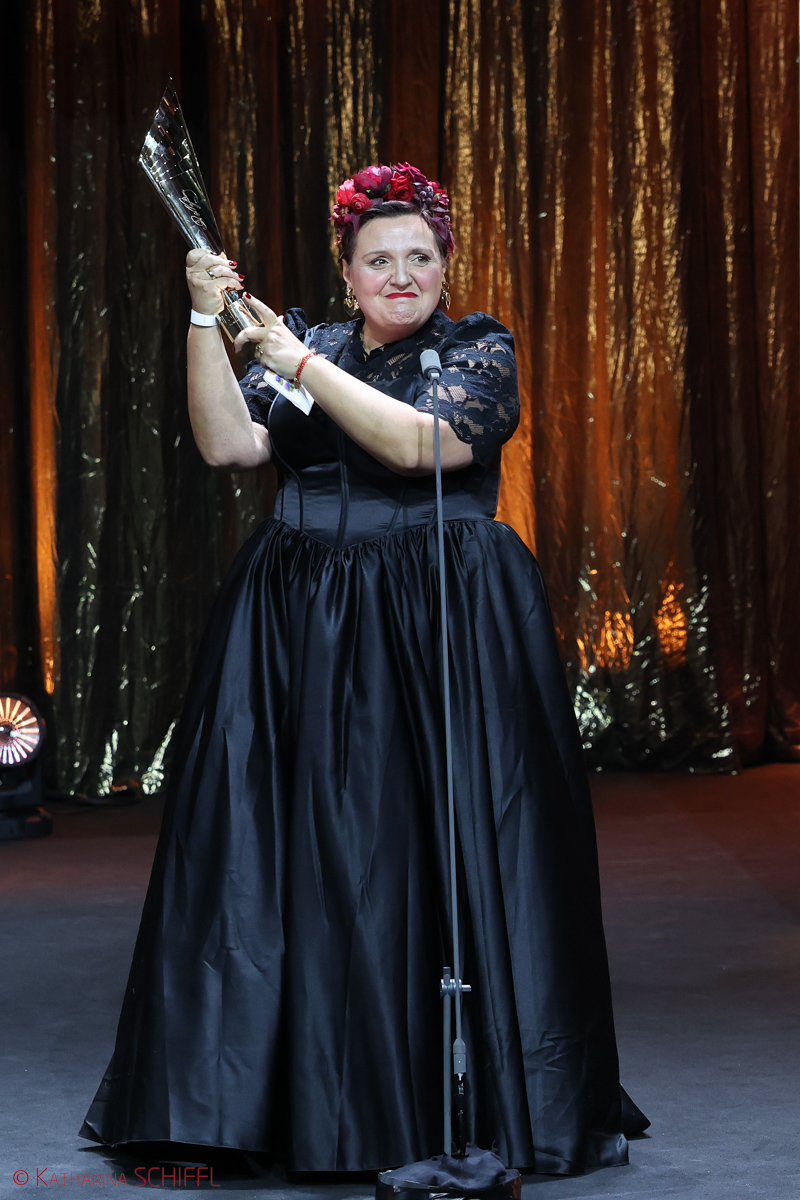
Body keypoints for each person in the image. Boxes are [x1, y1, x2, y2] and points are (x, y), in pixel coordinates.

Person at [81, 162, 647, 1175]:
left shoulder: (474, 348)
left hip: (436, 613)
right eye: (378, 261)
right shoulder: (315, 338)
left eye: (419, 258)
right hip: (299, 613)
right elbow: (229, 447)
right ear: (346, 274)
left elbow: (421, 447)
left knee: (427, 849)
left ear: (445, 267)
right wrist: (207, 322)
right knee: (293, 846)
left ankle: (449, 1101)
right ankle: (291, 1101)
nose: (401, 276)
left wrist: (294, 359)